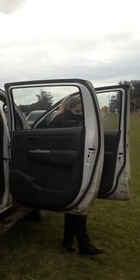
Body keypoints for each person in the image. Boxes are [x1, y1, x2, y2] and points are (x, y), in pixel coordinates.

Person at [49, 95, 105, 256]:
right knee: (80, 203)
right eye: (77, 110)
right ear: (69, 108)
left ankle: (68, 241)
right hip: (67, 165)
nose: (79, 114)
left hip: (76, 165)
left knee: (75, 204)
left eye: (81, 111)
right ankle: (84, 244)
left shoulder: (69, 119)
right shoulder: (61, 121)